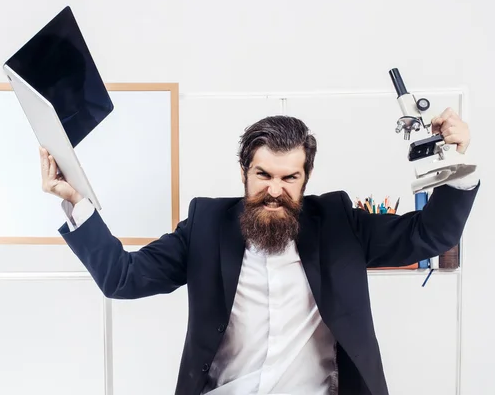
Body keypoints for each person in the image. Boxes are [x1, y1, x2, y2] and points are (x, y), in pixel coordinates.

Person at [39, 108, 479, 395]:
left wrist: (458, 163)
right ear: (245, 172)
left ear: (306, 179)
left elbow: (431, 235)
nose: (274, 190)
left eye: (289, 179)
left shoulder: (342, 223)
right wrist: (76, 201)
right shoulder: (206, 224)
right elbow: (123, 278)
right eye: (263, 174)